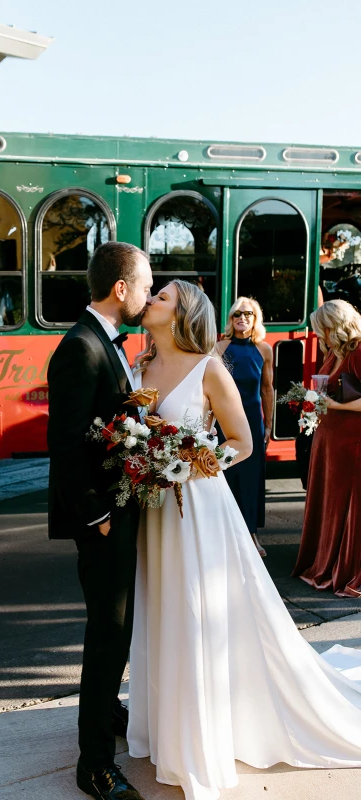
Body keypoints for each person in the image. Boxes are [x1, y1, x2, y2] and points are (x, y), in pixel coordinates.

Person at [127, 280, 361, 800]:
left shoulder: (210, 367)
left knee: (194, 608)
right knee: (162, 606)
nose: (150, 302)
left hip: (199, 507)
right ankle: (164, 725)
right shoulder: (138, 367)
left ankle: (200, 734)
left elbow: (243, 442)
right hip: (153, 510)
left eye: (160, 297)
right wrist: (146, 464)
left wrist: (193, 464)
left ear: (183, 312)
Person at [47, 241, 153, 800]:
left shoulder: (106, 344)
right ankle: (94, 766)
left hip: (120, 509)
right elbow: (63, 445)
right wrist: (96, 517)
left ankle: (108, 710)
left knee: (119, 629)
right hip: (103, 518)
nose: (147, 294)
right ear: (121, 289)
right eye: (144, 284)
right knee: (107, 634)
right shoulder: (80, 348)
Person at [293, 299, 361, 597]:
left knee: (343, 506)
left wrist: (331, 403)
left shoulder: (358, 351)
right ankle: (325, 559)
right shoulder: (335, 352)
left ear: (337, 325)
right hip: (329, 442)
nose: (319, 334)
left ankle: (341, 566)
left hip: (350, 444)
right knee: (328, 503)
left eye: (323, 328)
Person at [216, 297, 273, 557]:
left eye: (248, 313)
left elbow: (267, 389)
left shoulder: (264, 350)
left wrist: (269, 424)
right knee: (226, 476)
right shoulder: (219, 347)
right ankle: (224, 533)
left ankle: (251, 534)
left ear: (255, 318)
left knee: (251, 479)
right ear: (231, 318)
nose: (242, 318)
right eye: (237, 313)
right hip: (224, 421)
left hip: (252, 420)